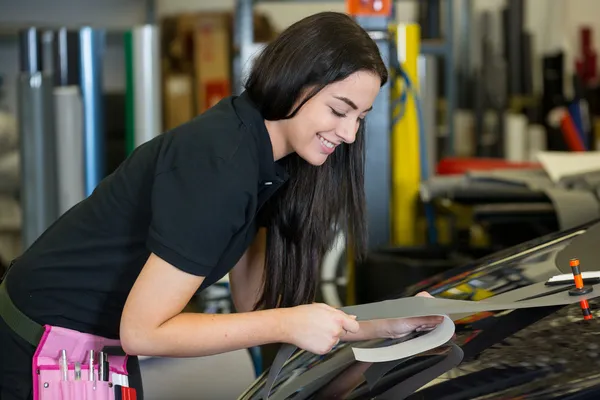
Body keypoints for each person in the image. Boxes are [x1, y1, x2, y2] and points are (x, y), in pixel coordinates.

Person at [0, 11, 443, 400]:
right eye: (338, 110)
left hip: (98, 339)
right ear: (295, 82)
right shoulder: (223, 163)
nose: (349, 135)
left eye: (360, 118)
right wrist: (289, 324)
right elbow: (143, 332)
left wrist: (379, 327)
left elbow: (254, 303)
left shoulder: (270, 160)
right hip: (46, 341)